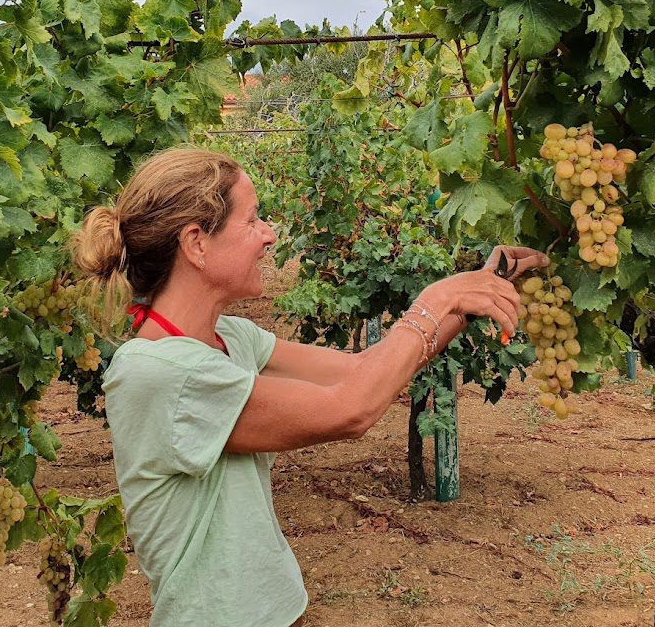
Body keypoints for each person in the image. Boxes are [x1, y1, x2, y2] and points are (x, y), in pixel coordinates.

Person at [72, 147, 548, 627]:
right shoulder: (157, 373)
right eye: (253, 219)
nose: (269, 235)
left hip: (279, 609)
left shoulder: (229, 339)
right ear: (196, 243)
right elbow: (351, 408)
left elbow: (362, 371)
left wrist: (468, 300)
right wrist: (435, 298)